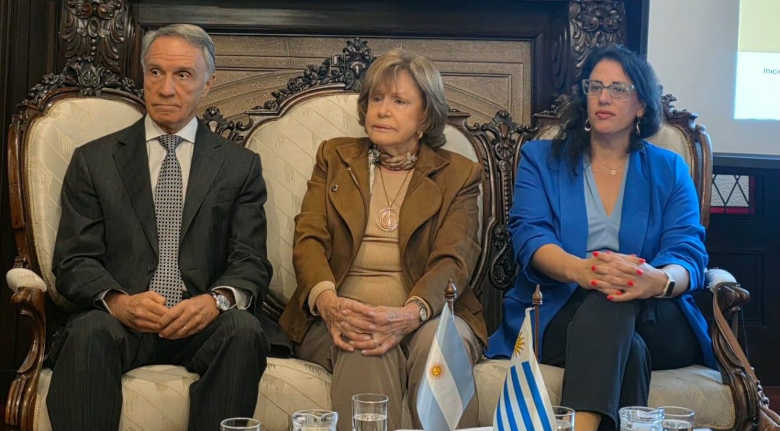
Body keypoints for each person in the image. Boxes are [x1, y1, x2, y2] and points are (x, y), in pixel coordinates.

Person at [47, 24, 273, 431]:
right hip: (119, 322)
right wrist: (119, 302)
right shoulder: (94, 161)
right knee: (88, 331)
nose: (166, 89)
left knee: (243, 330)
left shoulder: (239, 167)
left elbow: (250, 260)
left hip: (200, 321)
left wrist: (215, 301)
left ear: (208, 83)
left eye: (183, 75)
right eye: (156, 72)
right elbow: (74, 260)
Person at [486, 45, 717, 431]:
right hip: (559, 310)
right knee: (622, 335)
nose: (604, 97)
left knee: (613, 304)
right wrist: (583, 271)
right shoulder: (541, 160)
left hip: (657, 315)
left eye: (618, 89)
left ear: (641, 105)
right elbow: (530, 236)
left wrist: (656, 281)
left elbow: (688, 251)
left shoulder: (669, 169)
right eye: (595, 87)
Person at [279, 48, 486, 431]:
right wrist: (329, 303)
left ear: (425, 116)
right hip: (340, 315)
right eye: (376, 99)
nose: (383, 110)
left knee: (441, 345)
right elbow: (308, 239)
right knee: (364, 344)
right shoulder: (334, 156)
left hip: (428, 314)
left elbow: (454, 260)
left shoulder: (458, 174)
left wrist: (409, 314)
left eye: (399, 101)